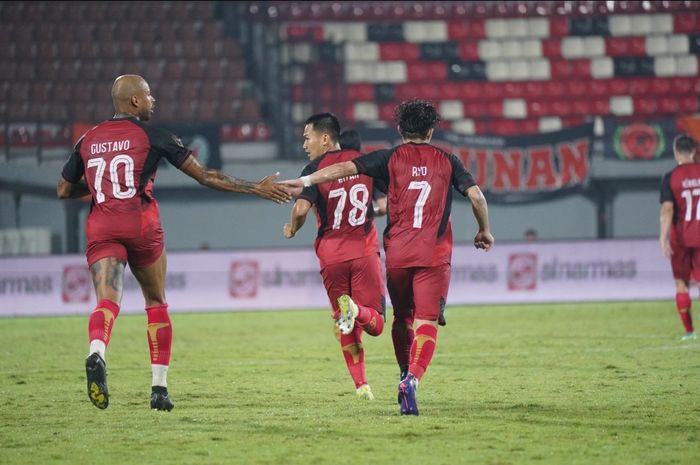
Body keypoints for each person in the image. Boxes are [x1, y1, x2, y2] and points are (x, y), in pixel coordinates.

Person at [57, 74, 292, 411]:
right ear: (135, 102)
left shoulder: (88, 139)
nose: (153, 101)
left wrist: (97, 188)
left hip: (102, 226)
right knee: (156, 301)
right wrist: (255, 187)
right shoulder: (154, 135)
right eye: (149, 95)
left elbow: (63, 190)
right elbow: (206, 176)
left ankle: (96, 351)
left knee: (107, 301)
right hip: (139, 224)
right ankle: (159, 390)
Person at [281, 99, 494, 415]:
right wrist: (484, 230)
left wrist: (307, 181)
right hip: (431, 255)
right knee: (425, 321)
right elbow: (476, 196)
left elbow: (343, 169)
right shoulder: (449, 160)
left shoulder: (389, 158)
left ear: (399, 129)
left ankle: (381, 377)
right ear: (432, 131)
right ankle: (410, 380)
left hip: (395, 255)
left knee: (400, 318)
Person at [282, 113, 386, 400]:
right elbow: (385, 203)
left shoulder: (313, 169)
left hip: (331, 258)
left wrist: (292, 228)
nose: (305, 144)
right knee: (375, 322)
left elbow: (301, 210)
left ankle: (361, 385)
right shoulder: (365, 163)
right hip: (363, 251)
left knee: (343, 321)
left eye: (307, 137)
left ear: (325, 138)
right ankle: (356, 311)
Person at [659, 133, 700, 341]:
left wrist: (663, 237)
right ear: (694, 152)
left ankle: (690, 332)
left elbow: (667, 209)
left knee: (681, 284)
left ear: (676, 153)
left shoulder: (671, 177)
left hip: (681, 238)